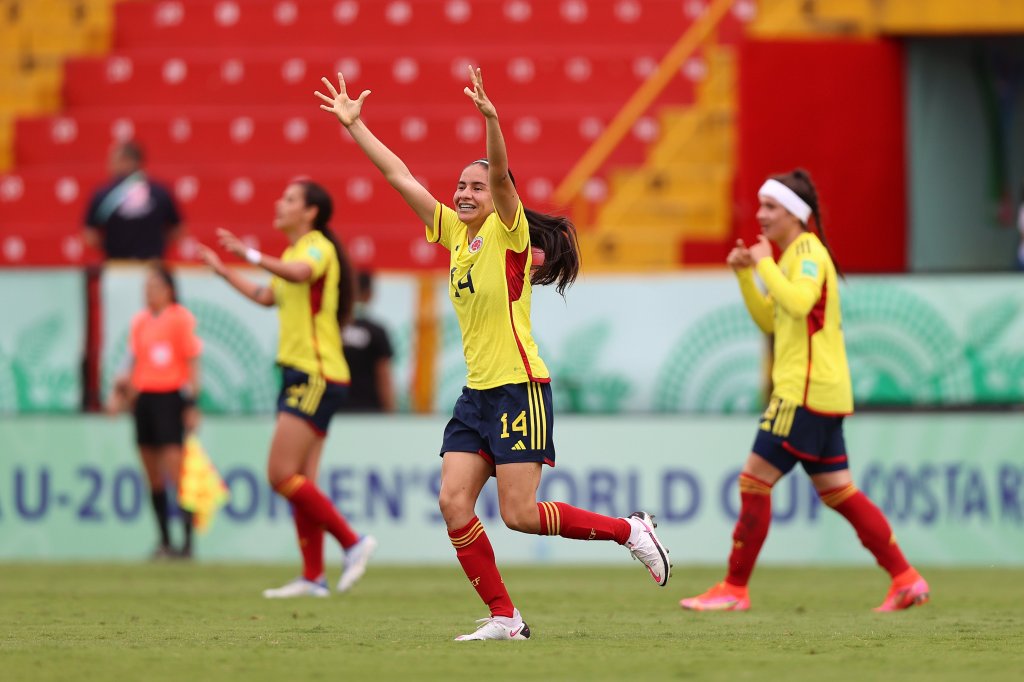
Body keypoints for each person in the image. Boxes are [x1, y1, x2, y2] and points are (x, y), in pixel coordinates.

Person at [316, 67, 672, 641]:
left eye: (474, 187)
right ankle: (506, 617)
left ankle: (629, 532)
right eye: (460, 186)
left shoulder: (510, 231)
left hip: (519, 386)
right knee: (453, 502)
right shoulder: (453, 233)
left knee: (520, 515)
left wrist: (491, 121)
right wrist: (357, 127)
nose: (463, 193)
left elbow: (502, 175)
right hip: (477, 394)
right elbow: (397, 174)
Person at [679, 169, 930, 613]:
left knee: (754, 481)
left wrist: (763, 264)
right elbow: (771, 321)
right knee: (840, 492)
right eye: (760, 205)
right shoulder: (792, 256)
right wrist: (746, 276)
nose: (760, 215)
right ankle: (906, 578)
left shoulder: (807, 253)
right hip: (820, 394)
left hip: (804, 394)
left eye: (770, 207)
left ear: (795, 214)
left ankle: (735, 588)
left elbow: (797, 301)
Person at [197, 178, 377, 598]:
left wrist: (252, 254)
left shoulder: (316, 246)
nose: (280, 202)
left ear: (311, 212)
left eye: (291, 198)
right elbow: (266, 295)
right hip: (305, 374)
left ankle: (353, 543)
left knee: (280, 475)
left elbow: (299, 274)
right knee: (301, 480)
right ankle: (314, 576)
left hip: (315, 373)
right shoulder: (294, 250)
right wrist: (226, 272)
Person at [107, 263, 202, 559]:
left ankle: (187, 544)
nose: (149, 293)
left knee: (177, 471)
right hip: (144, 399)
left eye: (154, 287)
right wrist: (118, 396)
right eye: (146, 288)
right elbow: (131, 363)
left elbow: (193, 363)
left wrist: (191, 404)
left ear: (169, 290)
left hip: (170, 398)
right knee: (152, 473)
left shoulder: (181, 319)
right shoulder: (140, 322)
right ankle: (164, 540)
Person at [84, 141, 183, 260]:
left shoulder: (104, 194)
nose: (109, 165)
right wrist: (157, 245)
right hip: (152, 265)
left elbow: (89, 235)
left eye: (113, 160)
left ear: (128, 161)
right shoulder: (160, 192)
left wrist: (111, 247)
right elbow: (178, 230)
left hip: (117, 265)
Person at [339, 270, 397, 412]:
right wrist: (390, 411)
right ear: (369, 294)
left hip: (335, 411)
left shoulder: (332, 329)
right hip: (369, 415)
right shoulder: (376, 331)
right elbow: (383, 375)